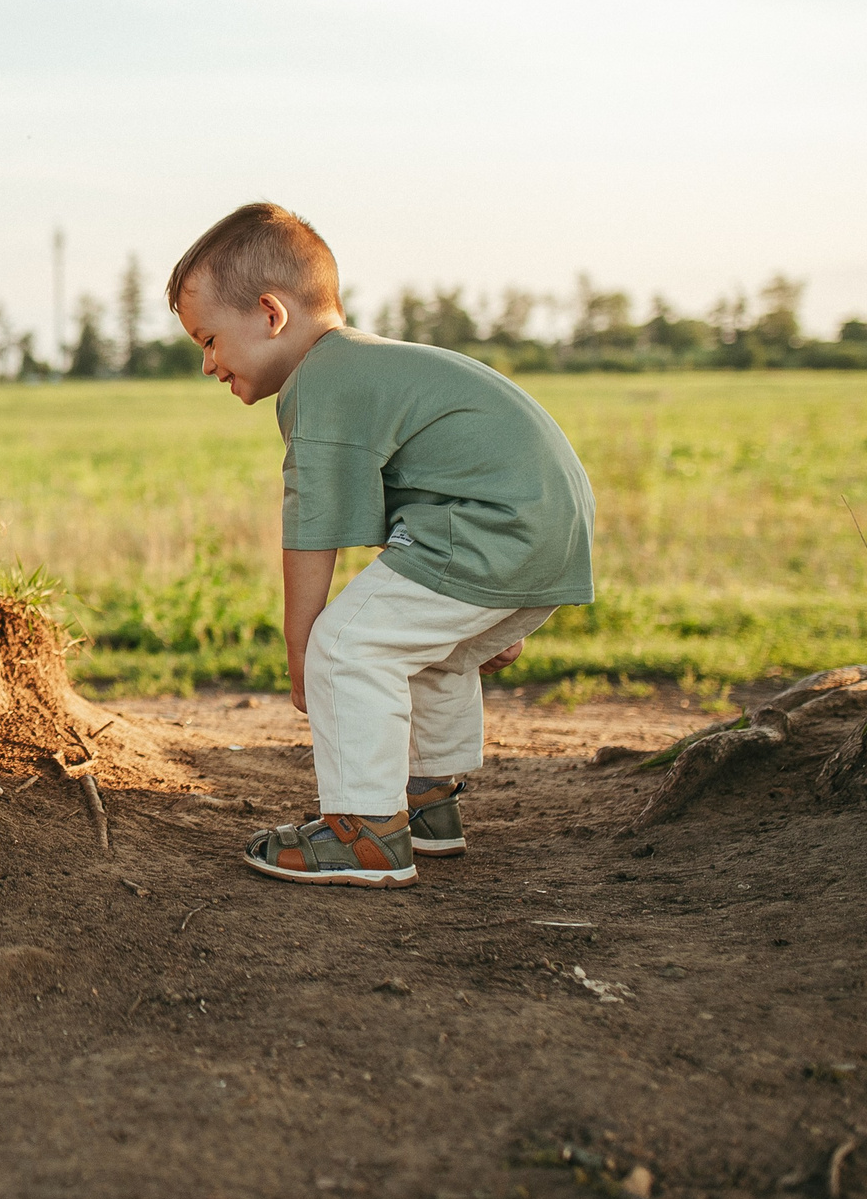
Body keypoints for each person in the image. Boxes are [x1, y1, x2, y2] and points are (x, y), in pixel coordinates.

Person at [168, 203, 594, 887]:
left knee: (347, 646)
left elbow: (316, 523)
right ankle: (425, 804)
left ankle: (364, 831)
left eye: (210, 338)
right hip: (542, 526)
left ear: (271, 315)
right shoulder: (369, 366)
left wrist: (304, 643)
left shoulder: (322, 381)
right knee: (417, 649)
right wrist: (489, 611)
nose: (208, 362)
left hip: (489, 526)